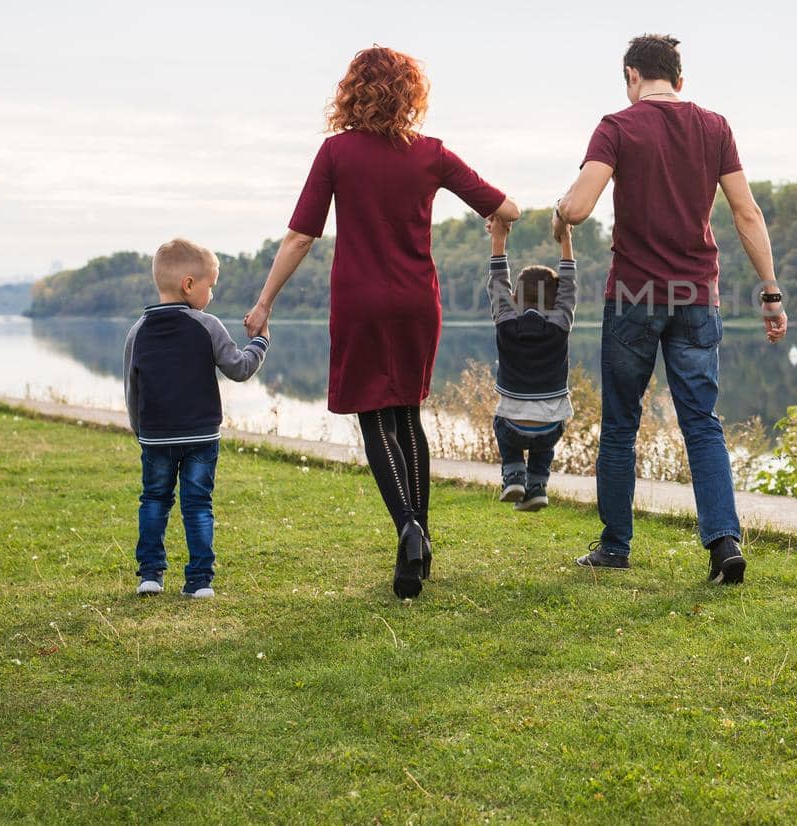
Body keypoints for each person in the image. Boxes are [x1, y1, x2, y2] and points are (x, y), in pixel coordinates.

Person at [243, 46, 519, 600]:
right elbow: (508, 208)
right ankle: (417, 550)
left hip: (359, 300)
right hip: (418, 300)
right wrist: (494, 221)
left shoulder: (336, 154)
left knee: (375, 419)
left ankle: (409, 531)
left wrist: (265, 302)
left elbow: (301, 235)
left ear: (351, 91)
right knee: (407, 414)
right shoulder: (432, 154)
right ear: (411, 94)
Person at [552, 34, 787, 585]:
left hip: (633, 295)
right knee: (702, 424)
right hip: (697, 297)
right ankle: (724, 542)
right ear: (678, 79)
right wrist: (770, 291)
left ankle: (615, 547)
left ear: (632, 76)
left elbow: (579, 207)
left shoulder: (617, 125)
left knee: (620, 427)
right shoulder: (715, 127)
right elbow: (746, 214)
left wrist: (560, 213)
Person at [124, 237, 269, 599]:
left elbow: (132, 389)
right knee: (198, 505)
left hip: (155, 437)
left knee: (154, 500)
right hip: (202, 436)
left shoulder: (137, 331)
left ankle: (150, 576)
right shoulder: (207, 325)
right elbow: (238, 368)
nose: (212, 295)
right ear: (189, 284)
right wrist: (261, 342)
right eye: (211, 286)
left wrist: (140, 431)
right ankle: (199, 581)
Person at [486, 217, 577, 511]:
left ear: (514, 297)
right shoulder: (560, 324)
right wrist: (566, 240)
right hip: (550, 427)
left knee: (500, 419)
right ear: (555, 301)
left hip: (512, 425)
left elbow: (497, 280)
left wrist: (498, 239)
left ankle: (513, 471)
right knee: (547, 427)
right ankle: (537, 484)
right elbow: (570, 287)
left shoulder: (506, 324)